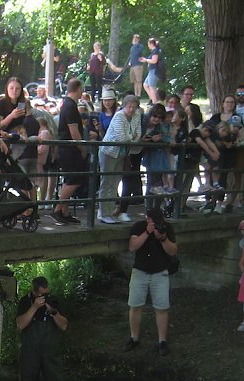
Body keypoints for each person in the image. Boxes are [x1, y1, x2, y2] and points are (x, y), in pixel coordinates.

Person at [125, 207, 178, 356]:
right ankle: (133, 337)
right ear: (147, 219)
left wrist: (163, 238)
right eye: (151, 220)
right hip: (140, 271)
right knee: (135, 306)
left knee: (161, 308)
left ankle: (162, 341)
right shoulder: (139, 226)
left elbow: (173, 251)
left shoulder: (167, 228)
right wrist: (147, 232)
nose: (154, 223)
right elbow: (132, 246)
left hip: (160, 272)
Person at [16, 276, 69, 381]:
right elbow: (20, 324)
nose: (44, 297)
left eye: (46, 294)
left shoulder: (53, 301)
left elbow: (64, 326)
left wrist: (54, 312)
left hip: (50, 351)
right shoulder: (25, 301)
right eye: (41, 295)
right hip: (30, 350)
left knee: (56, 379)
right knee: (27, 378)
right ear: (35, 292)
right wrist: (34, 307)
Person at [98, 94, 141, 224]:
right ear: (124, 106)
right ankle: (103, 213)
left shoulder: (137, 116)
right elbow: (121, 137)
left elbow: (138, 134)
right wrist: (131, 137)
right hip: (109, 152)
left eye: (134, 107)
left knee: (115, 183)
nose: (132, 110)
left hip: (122, 153)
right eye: (129, 107)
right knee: (107, 182)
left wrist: (131, 137)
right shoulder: (119, 116)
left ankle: (110, 212)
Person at [52, 78, 85, 225]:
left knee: (70, 180)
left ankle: (65, 211)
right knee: (75, 180)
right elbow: (74, 131)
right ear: (78, 89)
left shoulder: (67, 104)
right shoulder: (70, 106)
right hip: (69, 150)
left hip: (66, 149)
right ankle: (58, 208)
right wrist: (82, 148)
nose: (82, 92)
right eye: (81, 89)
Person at [139, 38, 162, 105]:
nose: (148, 46)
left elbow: (154, 61)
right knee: (145, 85)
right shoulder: (154, 51)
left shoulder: (155, 51)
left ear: (151, 44)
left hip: (154, 71)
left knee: (152, 86)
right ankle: (153, 99)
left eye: (148, 44)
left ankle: (155, 103)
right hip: (151, 71)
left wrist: (146, 60)